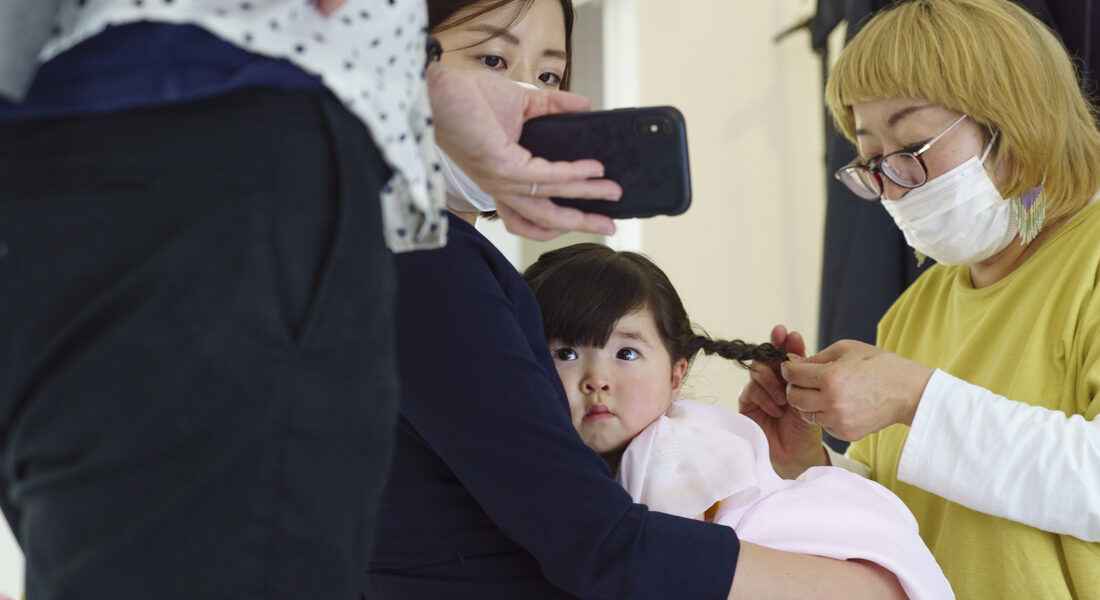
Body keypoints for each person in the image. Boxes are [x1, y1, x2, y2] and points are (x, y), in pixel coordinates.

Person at [0, 1, 620, 598]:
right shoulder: (440, 269)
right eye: (490, 58)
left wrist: (416, 87)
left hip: (59, 154)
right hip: (225, 143)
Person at [365, 0, 911, 598]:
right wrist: (867, 590)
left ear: (679, 373)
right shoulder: (427, 261)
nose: (528, 98)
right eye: (492, 59)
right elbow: (597, 542)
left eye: (549, 75)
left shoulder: (407, 252)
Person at [740, 1, 1100, 598]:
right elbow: (903, 516)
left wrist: (916, 397)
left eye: (911, 145)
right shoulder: (916, 307)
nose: (894, 187)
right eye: (873, 162)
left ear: (1015, 120)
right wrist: (813, 466)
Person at [523, 242, 954, 600]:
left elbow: (664, 568)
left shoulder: (672, 447)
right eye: (566, 354)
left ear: (676, 377)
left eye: (626, 354)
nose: (597, 380)